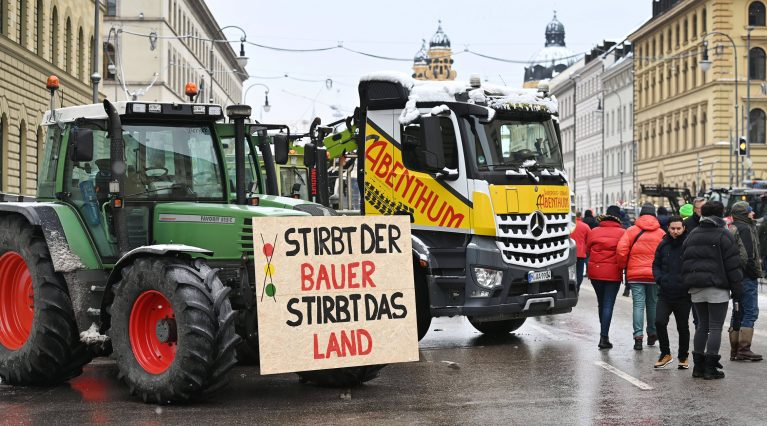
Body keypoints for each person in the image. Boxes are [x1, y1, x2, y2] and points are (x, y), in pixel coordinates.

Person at [682, 201, 743, 379]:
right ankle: (710, 369)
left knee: (702, 326)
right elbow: (733, 265)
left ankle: (697, 367)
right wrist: (737, 290)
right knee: (715, 327)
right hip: (717, 286)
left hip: (696, 286)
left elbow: (684, 261)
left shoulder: (692, 234)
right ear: (721, 214)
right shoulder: (724, 234)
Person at [617, 203, 666, 350]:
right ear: (654, 215)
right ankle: (652, 334)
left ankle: (638, 337)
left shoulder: (631, 231)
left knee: (638, 305)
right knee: (652, 304)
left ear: (641, 215)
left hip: (635, 274)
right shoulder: (661, 233)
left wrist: (624, 265)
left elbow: (621, 250)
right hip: (654, 275)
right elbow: (665, 254)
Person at [652, 216, 691, 369]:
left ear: (683, 229)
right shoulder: (663, 245)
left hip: (683, 294)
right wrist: (660, 279)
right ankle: (665, 354)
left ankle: (683, 357)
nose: (675, 231)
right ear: (668, 228)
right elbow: (656, 265)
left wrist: (687, 282)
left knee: (682, 327)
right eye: (673, 228)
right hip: (665, 292)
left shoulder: (688, 244)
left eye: (678, 228)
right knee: (659, 322)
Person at [726, 202, 764, 362]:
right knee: (750, 311)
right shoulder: (745, 228)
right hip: (746, 277)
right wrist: (753, 272)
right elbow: (746, 256)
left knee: (737, 311)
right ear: (744, 213)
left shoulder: (732, 227)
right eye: (750, 211)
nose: (753, 213)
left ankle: (734, 350)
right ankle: (744, 349)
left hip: (735, 277)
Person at [586, 205, 626, 349]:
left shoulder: (594, 231)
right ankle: (604, 337)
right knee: (608, 304)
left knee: (601, 303)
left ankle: (604, 334)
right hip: (613, 273)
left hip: (595, 272)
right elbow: (623, 252)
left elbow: (587, 248)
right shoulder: (623, 232)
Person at [572, 211, 591, 292]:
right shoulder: (585, 226)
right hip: (581, 253)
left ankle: (570, 288)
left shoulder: (569, 225)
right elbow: (590, 240)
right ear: (581, 216)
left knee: (570, 272)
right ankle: (577, 287)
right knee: (579, 273)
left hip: (569, 253)